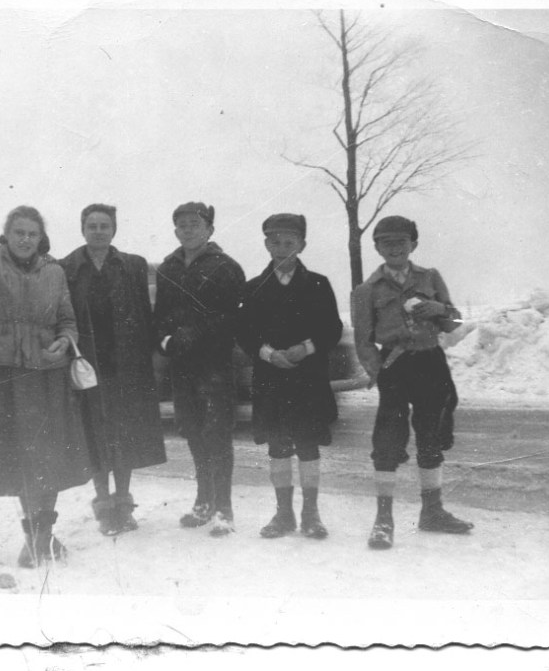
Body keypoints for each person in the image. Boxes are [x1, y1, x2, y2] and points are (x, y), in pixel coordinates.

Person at [0, 206, 92, 568]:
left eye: (32, 234)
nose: (25, 239)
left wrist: (65, 340)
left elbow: (67, 319)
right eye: (19, 233)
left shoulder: (54, 271)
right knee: (21, 458)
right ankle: (34, 537)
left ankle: (42, 536)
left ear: (41, 238)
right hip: (9, 374)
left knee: (49, 457)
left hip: (48, 373)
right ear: (6, 235)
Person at [351, 215, 473, 550]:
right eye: (386, 243)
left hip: (431, 362)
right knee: (388, 440)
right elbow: (363, 340)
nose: (394, 248)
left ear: (413, 245)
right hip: (395, 365)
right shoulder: (366, 290)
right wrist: (378, 372)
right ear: (377, 248)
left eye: (401, 242)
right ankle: (383, 519)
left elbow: (455, 322)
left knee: (431, 434)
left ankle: (432, 512)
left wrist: (439, 308)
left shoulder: (430, 277)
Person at [60, 204, 166, 536]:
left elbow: (146, 315)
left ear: (114, 229)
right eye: (92, 225)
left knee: (125, 436)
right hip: (87, 366)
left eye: (104, 225)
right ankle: (104, 506)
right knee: (94, 435)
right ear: (83, 229)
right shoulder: (67, 267)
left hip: (126, 366)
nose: (98, 231)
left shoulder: (132, 265)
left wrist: (150, 359)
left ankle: (123, 503)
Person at [236, 214, 342, 540]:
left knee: (308, 445)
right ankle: (283, 514)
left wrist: (305, 348)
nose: (282, 248)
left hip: (308, 378)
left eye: (289, 242)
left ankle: (311, 514)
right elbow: (244, 332)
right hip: (271, 380)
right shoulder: (253, 288)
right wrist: (268, 353)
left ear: (301, 245)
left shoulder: (319, 284)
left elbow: (332, 328)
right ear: (267, 245)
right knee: (278, 445)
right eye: (276, 242)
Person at [154, 202, 245, 537]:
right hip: (182, 364)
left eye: (195, 224)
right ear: (175, 230)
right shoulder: (168, 267)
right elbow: (161, 313)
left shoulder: (226, 267)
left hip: (214, 364)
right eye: (182, 225)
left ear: (209, 229)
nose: (188, 230)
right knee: (192, 430)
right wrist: (165, 340)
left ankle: (224, 508)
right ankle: (204, 500)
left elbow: (233, 316)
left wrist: (197, 333)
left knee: (216, 433)